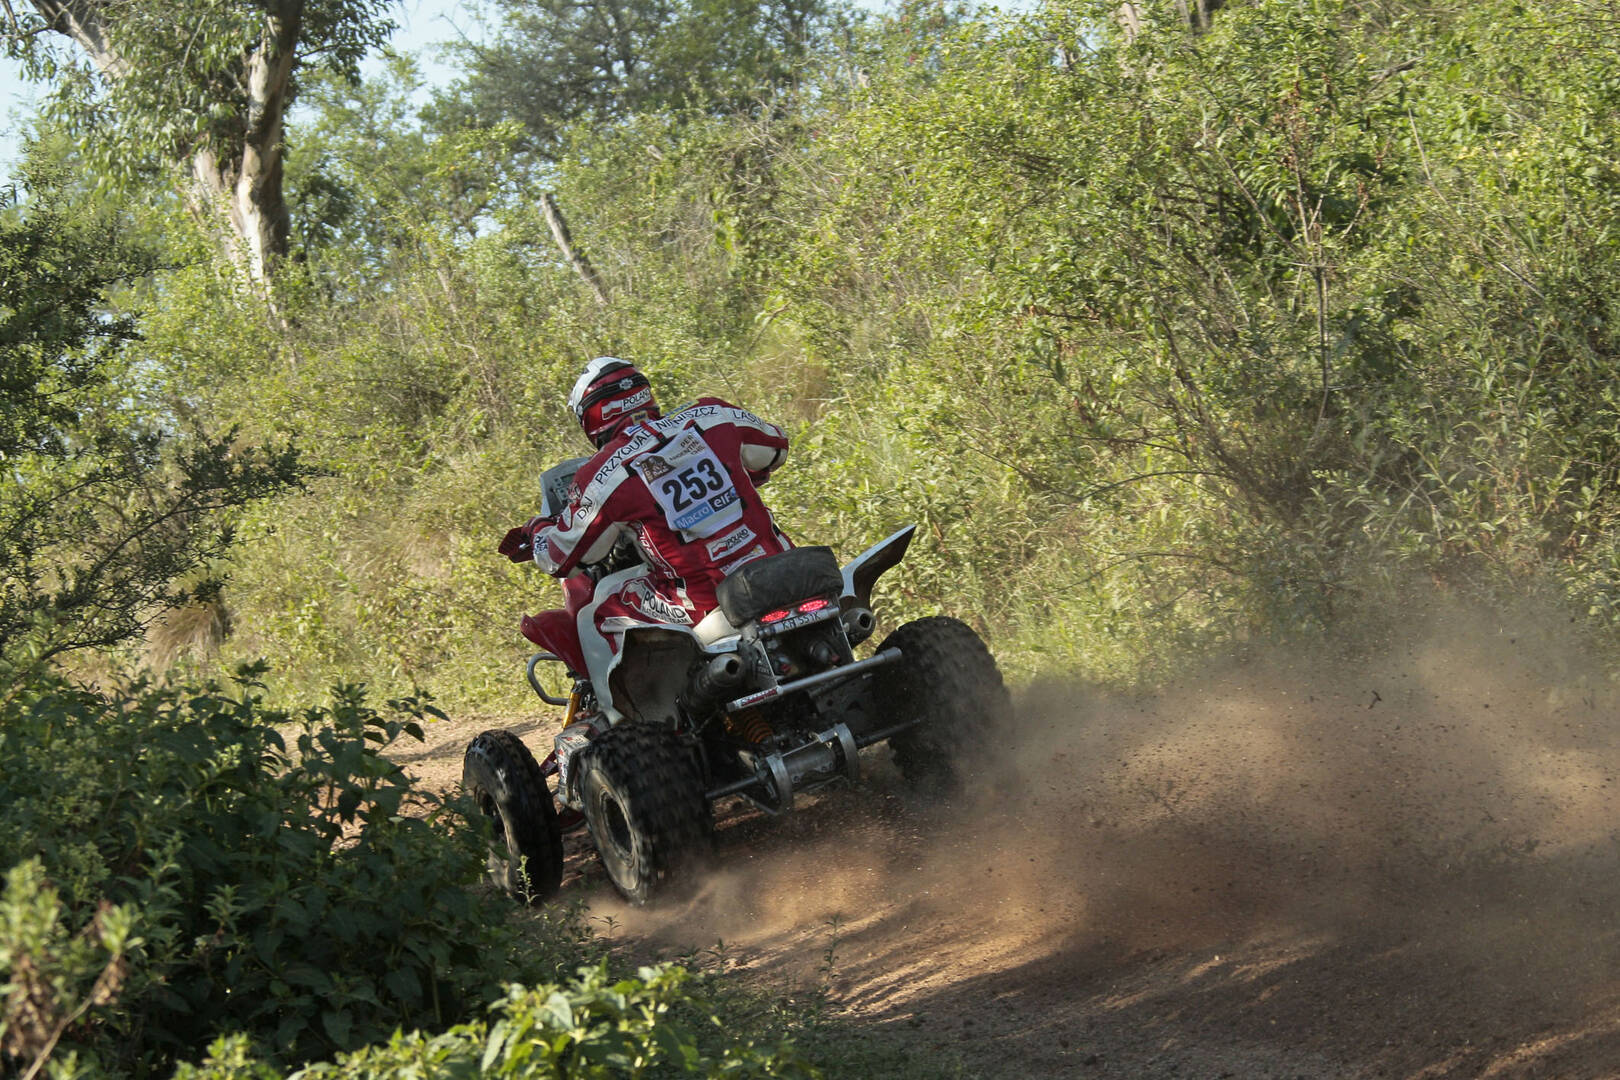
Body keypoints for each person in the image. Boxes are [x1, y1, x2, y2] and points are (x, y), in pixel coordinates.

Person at [499, 356, 792, 720]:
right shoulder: (712, 414)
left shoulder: (605, 473)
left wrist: (537, 530)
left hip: (704, 599)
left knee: (593, 615)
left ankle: (628, 734)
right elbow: (776, 449)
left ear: (590, 418)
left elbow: (561, 557)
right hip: (779, 565)